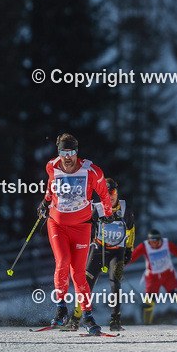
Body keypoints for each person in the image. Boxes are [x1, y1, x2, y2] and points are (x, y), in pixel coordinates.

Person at [37, 133, 114, 335]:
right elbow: (51, 185)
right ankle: (61, 310)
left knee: (78, 273)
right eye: (63, 152)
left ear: (76, 152)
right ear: (59, 153)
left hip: (82, 226)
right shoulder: (51, 166)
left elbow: (104, 193)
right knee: (62, 262)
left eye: (71, 152)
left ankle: (87, 317)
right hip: (57, 224)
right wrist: (45, 201)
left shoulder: (91, 171)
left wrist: (107, 214)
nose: (67, 157)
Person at [66, 177, 136, 332]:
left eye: (113, 192)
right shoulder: (96, 209)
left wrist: (129, 250)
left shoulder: (125, 208)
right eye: (107, 192)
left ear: (117, 193)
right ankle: (75, 319)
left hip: (117, 252)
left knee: (115, 284)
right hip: (98, 251)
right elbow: (82, 227)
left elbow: (131, 230)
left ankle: (115, 321)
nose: (110, 196)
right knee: (85, 285)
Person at [128, 228, 177, 325]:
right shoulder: (144, 246)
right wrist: (120, 264)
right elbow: (131, 257)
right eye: (151, 240)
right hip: (153, 278)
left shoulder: (166, 243)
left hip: (168, 275)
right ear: (148, 240)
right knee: (149, 304)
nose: (154, 243)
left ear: (159, 239)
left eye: (156, 240)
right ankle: (146, 324)